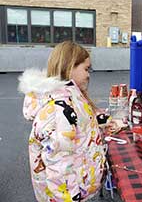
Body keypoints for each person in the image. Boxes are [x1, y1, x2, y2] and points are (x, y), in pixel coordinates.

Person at [18, 41, 107, 201]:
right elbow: (60, 167)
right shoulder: (59, 111)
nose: (88, 75)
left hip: (80, 184)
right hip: (70, 195)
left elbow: (83, 121)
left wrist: (104, 120)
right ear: (70, 66)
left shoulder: (69, 96)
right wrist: (70, 197)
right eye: (86, 69)